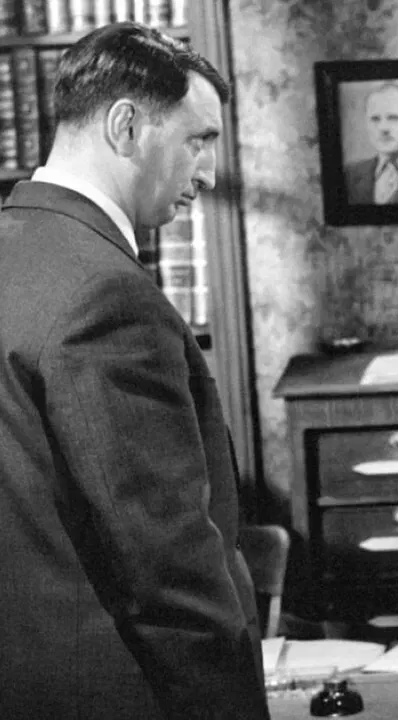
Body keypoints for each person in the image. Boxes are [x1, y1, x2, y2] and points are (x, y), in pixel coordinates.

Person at [0, 23, 269, 720]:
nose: (209, 174)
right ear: (125, 127)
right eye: (198, 140)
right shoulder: (107, 296)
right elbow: (167, 570)